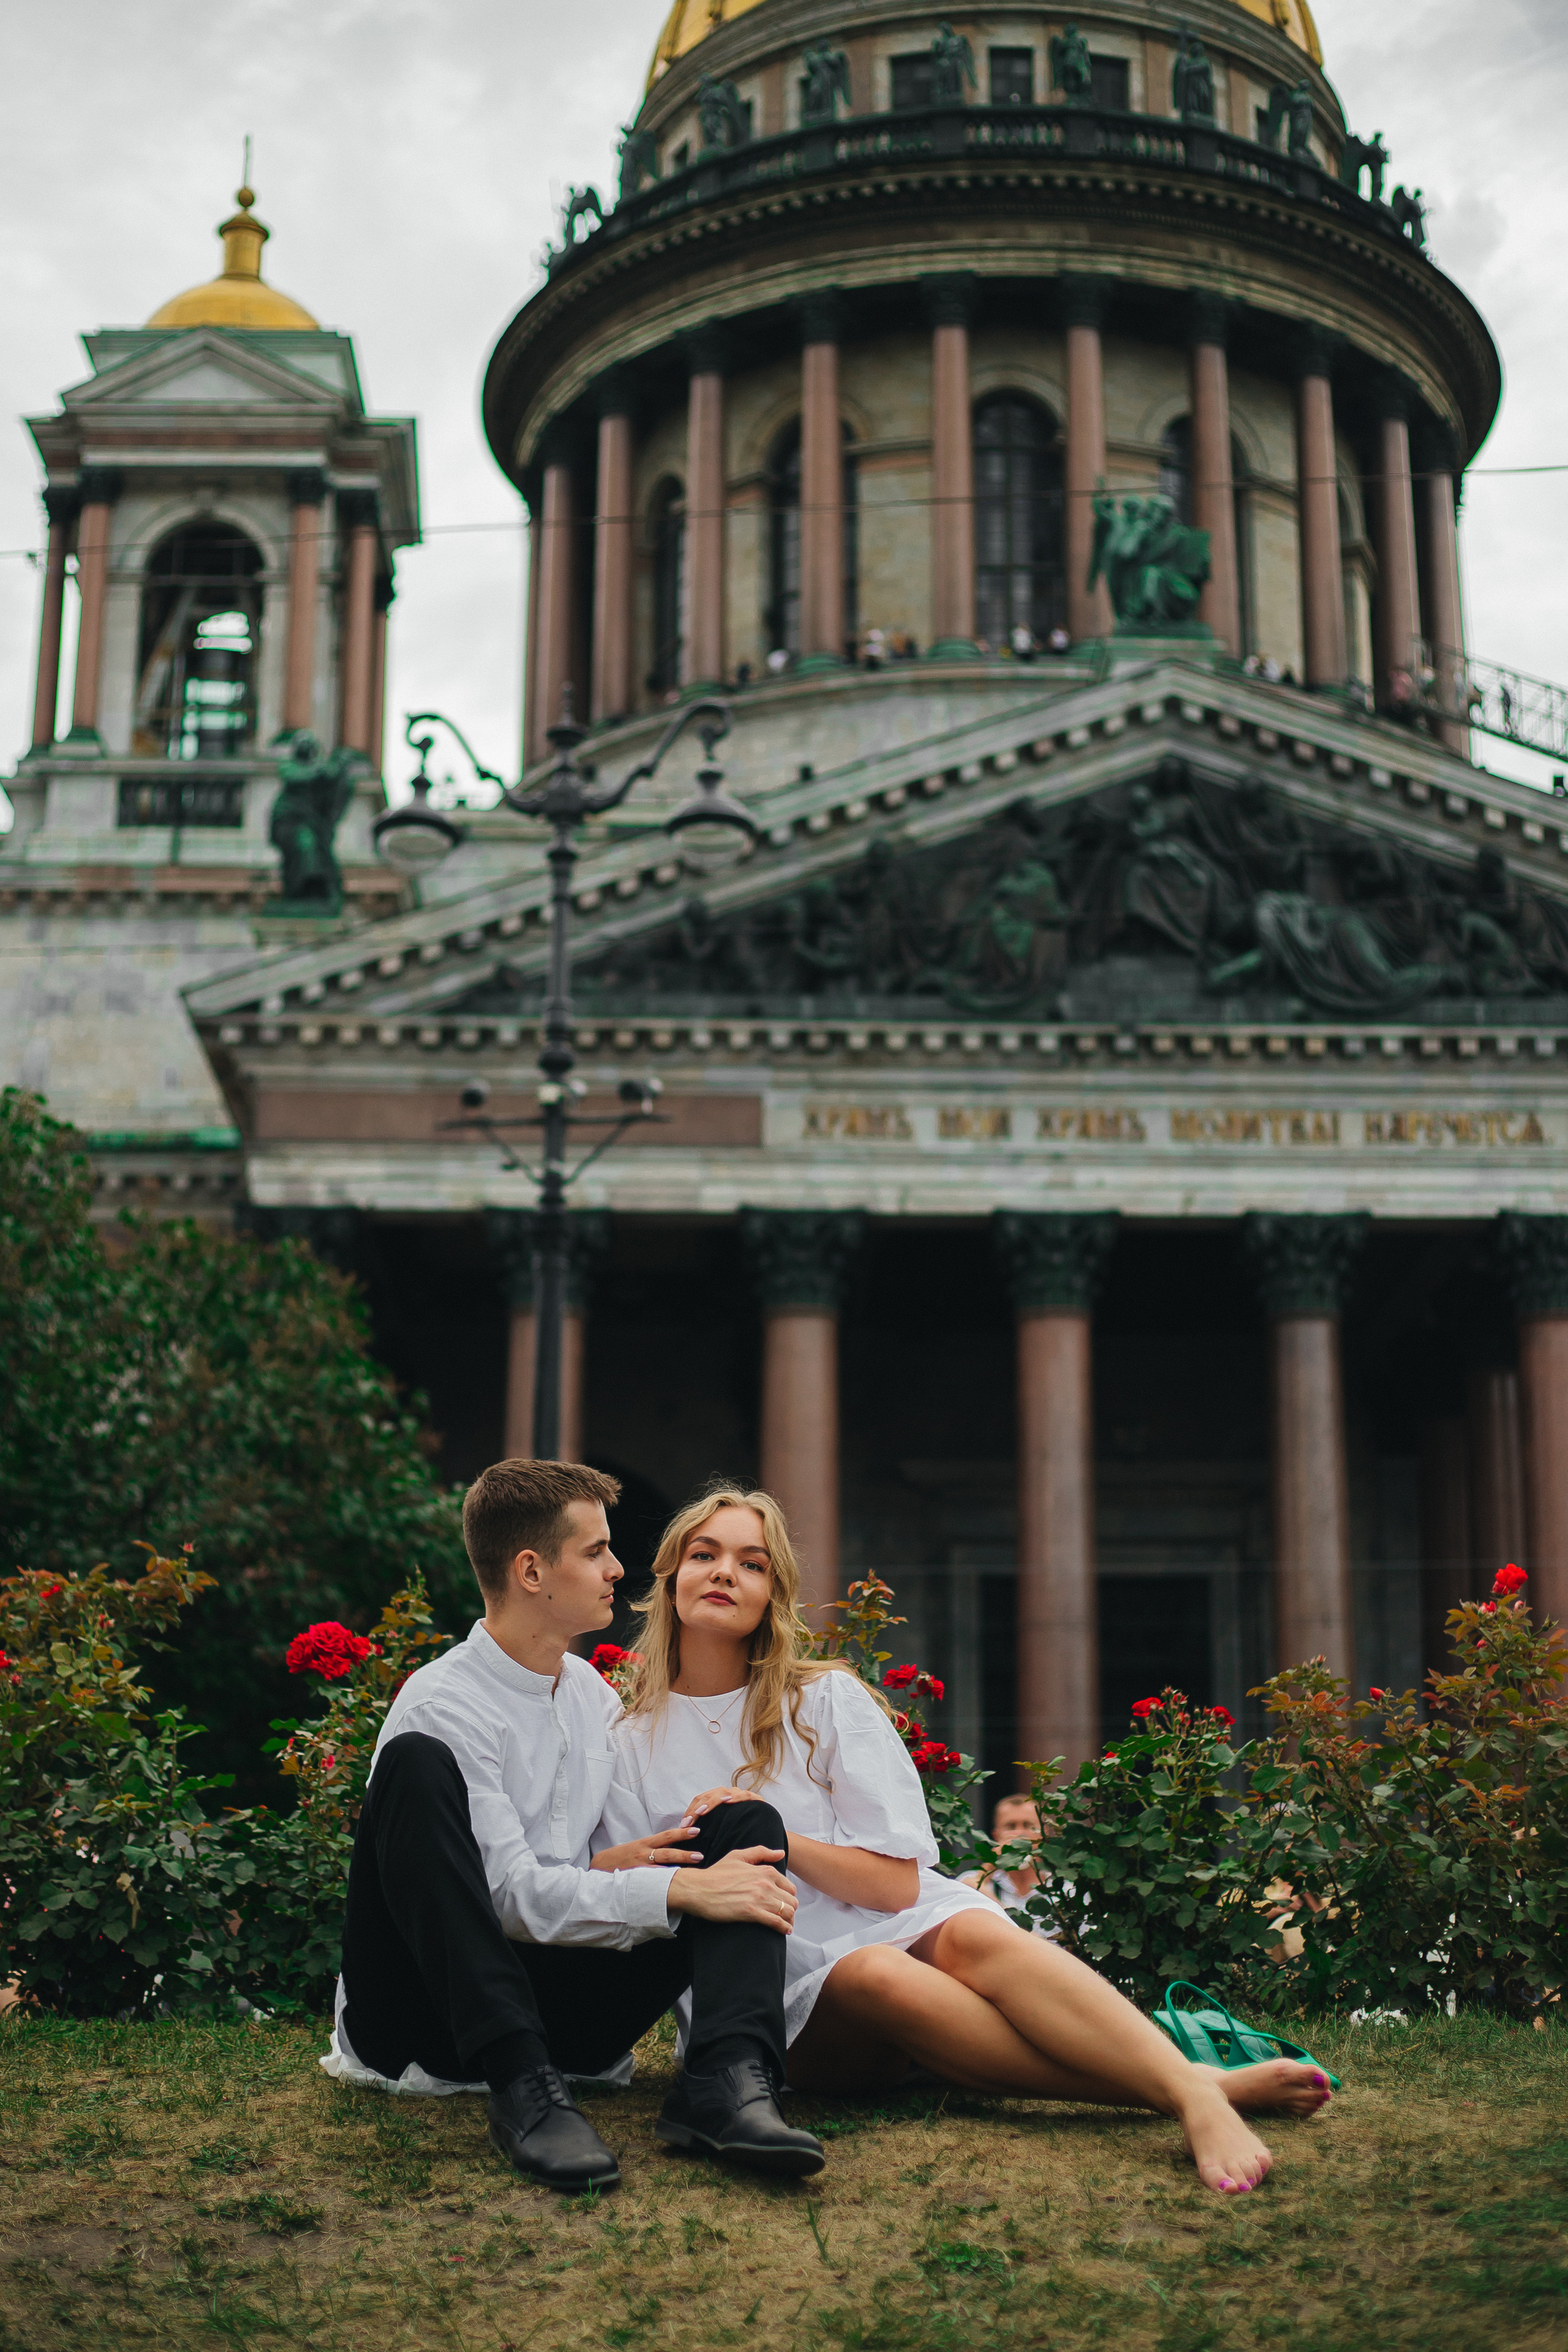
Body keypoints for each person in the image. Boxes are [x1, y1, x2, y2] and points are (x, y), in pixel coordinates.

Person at [604, 1487, 1334, 2197]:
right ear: (670, 1580)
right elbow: (614, 1885)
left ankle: (1192, 2093)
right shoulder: (629, 1739)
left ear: (774, 1594)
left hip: (886, 1919)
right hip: (773, 1995)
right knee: (872, 1974)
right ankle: (1190, 2085)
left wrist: (775, 1838)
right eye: (705, 1555)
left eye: (753, 1563)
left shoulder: (820, 1700)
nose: (726, 1572)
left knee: (969, 1935)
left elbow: (894, 1888)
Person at [326, 1460, 824, 2190]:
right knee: (413, 1765)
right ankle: (522, 2089)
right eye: (595, 1551)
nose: (617, 1569)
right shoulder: (444, 1705)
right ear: (532, 1571)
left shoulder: (589, 1694)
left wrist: (651, 1870)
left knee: (739, 1823)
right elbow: (503, 1899)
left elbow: (597, 1871)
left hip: (564, 2015)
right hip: (429, 2022)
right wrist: (676, 1894)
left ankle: (724, 2082)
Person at [962, 1793, 1060, 1937]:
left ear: (1044, 1835)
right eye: (1011, 1827)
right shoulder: (979, 1880)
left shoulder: (1065, 1889)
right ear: (996, 1835)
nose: (1020, 1834)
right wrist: (993, 1860)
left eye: (1029, 1826)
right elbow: (966, 1889)